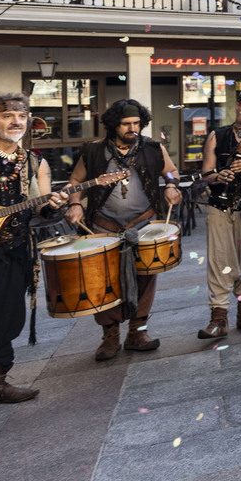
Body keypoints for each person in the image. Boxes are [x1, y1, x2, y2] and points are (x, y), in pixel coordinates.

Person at [65, 99, 182, 362]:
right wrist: (75, 203)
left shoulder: (152, 147)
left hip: (143, 223)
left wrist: (172, 187)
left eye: (137, 123)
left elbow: (172, 172)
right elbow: (76, 181)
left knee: (145, 278)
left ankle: (137, 333)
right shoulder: (93, 151)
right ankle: (110, 337)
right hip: (102, 225)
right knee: (103, 281)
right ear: (113, 125)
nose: (133, 128)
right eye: (127, 124)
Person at [0, 94, 67, 405]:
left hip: (11, 252)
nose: (16, 122)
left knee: (3, 317)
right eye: (7, 116)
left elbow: (42, 209)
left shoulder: (34, 162)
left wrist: (54, 206)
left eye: (21, 116)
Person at [197, 85, 241, 339]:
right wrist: (218, 175)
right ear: (238, 106)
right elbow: (206, 174)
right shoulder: (218, 135)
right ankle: (218, 319)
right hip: (220, 205)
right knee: (219, 261)